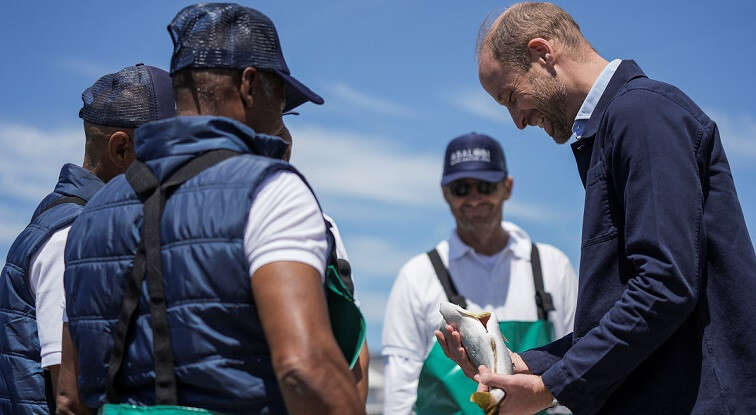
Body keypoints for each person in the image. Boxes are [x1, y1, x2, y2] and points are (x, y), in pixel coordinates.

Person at [441, 2, 756, 414]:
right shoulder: (619, 126)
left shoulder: (641, 115)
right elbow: (624, 307)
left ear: (542, 53)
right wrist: (524, 365)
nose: (517, 121)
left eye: (510, 97)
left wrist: (549, 387)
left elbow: (665, 286)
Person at [60, 3, 364, 415]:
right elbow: (304, 369)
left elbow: (70, 398)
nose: (281, 121)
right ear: (250, 85)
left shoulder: (90, 218)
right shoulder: (270, 190)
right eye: (281, 95)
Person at [0, 64, 174, 415]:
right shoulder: (72, 236)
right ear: (122, 148)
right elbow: (72, 400)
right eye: (163, 152)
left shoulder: (69, 222)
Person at [382, 132, 578, 414]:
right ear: (445, 193)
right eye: (461, 188)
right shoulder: (416, 276)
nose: (474, 198)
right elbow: (399, 392)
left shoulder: (552, 267)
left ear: (507, 187)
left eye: (485, 186)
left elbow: (578, 363)